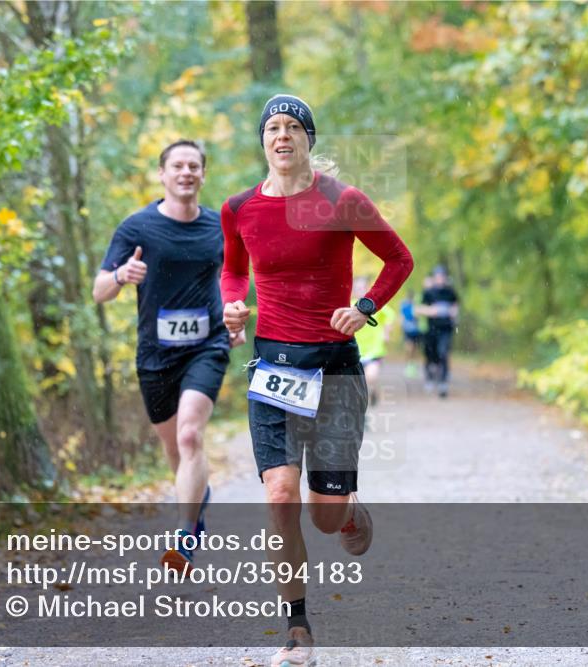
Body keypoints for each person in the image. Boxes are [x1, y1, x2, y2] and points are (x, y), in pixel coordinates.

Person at [221, 94, 413, 667]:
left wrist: (366, 306)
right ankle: (297, 628)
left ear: (308, 138)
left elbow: (398, 259)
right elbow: (233, 270)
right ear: (263, 141)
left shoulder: (342, 201)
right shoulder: (239, 208)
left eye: (292, 127)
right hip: (273, 369)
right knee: (279, 497)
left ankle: (349, 512)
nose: (282, 136)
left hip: (334, 369)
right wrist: (234, 306)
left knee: (324, 514)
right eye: (272, 128)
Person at [93, 139, 243, 571]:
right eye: (177, 165)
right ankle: (197, 499)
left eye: (194, 166)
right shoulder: (137, 228)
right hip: (155, 354)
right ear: (162, 174)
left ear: (203, 175)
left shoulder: (219, 227)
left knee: (190, 435)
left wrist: (233, 319)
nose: (186, 173)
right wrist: (122, 274)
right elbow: (99, 291)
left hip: (207, 346)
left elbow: (233, 278)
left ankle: (184, 534)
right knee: (174, 446)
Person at [353, 276, 395, 407]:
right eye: (357, 288)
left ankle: (369, 394)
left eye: (363, 288)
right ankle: (368, 398)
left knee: (370, 377)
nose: (360, 290)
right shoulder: (350, 305)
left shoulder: (374, 304)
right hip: (356, 350)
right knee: (358, 382)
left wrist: (386, 333)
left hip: (374, 349)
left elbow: (390, 316)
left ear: (367, 289)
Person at [420, 266, 459, 398]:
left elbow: (455, 306)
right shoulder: (429, 292)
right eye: (438, 276)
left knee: (443, 352)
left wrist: (454, 313)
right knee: (431, 355)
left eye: (442, 276)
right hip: (431, 329)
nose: (440, 278)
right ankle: (430, 378)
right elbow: (419, 309)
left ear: (445, 277)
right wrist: (431, 311)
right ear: (434, 277)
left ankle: (443, 383)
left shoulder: (450, 292)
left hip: (446, 328)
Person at [399, 288, 422, 378]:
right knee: (408, 348)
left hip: (416, 331)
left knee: (415, 349)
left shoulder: (415, 305)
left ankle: (413, 366)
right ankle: (408, 365)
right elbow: (402, 317)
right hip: (407, 330)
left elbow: (418, 316)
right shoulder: (404, 305)